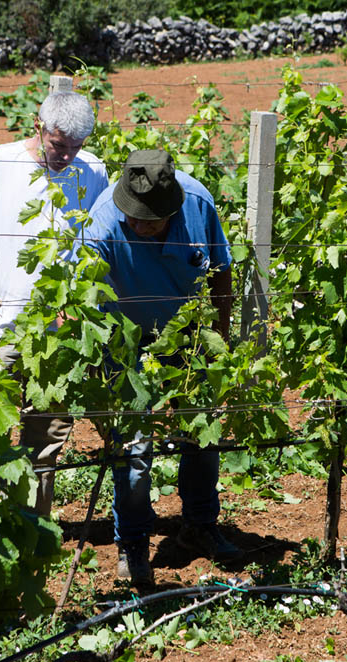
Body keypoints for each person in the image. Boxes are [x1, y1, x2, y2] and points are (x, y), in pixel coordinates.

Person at [0, 91, 109, 517]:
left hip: (59, 335)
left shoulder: (94, 171)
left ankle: (30, 534)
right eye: (58, 146)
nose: (67, 156)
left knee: (44, 447)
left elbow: (98, 242)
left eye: (76, 147)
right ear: (37, 126)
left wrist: (82, 301)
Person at [83, 148, 238, 586]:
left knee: (201, 430)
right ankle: (132, 543)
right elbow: (78, 299)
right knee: (132, 449)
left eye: (147, 220)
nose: (137, 224)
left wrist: (219, 337)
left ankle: (199, 526)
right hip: (124, 337)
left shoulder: (199, 204)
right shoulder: (102, 224)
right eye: (132, 216)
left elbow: (222, 269)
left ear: (172, 209)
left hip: (187, 331)